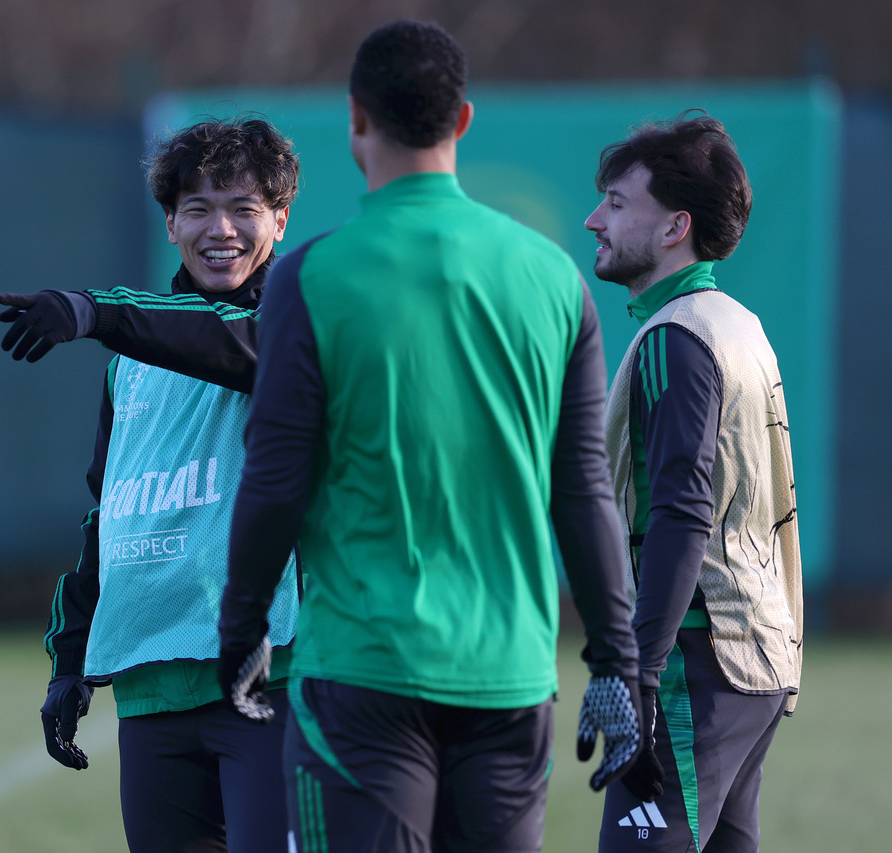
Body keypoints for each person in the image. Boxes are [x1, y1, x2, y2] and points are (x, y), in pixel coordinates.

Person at [214, 20, 643, 853]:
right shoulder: (554, 277)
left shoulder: (311, 275)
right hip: (511, 677)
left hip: (363, 668)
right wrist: (616, 661)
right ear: (464, 120)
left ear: (355, 119)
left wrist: (241, 629)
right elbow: (583, 490)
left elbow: (275, 478)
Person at [0, 117, 302, 853]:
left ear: (280, 220)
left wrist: (94, 310)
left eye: (243, 208)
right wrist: (71, 659)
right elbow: (107, 516)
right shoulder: (129, 365)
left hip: (274, 677)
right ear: (170, 223)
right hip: (150, 685)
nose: (220, 230)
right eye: (198, 209)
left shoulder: (298, 323)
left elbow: (235, 340)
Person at [584, 112, 803, 852]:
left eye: (617, 203)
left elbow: (681, 514)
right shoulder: (739, 324)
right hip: (757, 654)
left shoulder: (674, 337)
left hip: (695, 660)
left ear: (675, 226)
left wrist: (638, 673)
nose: (594, 220)